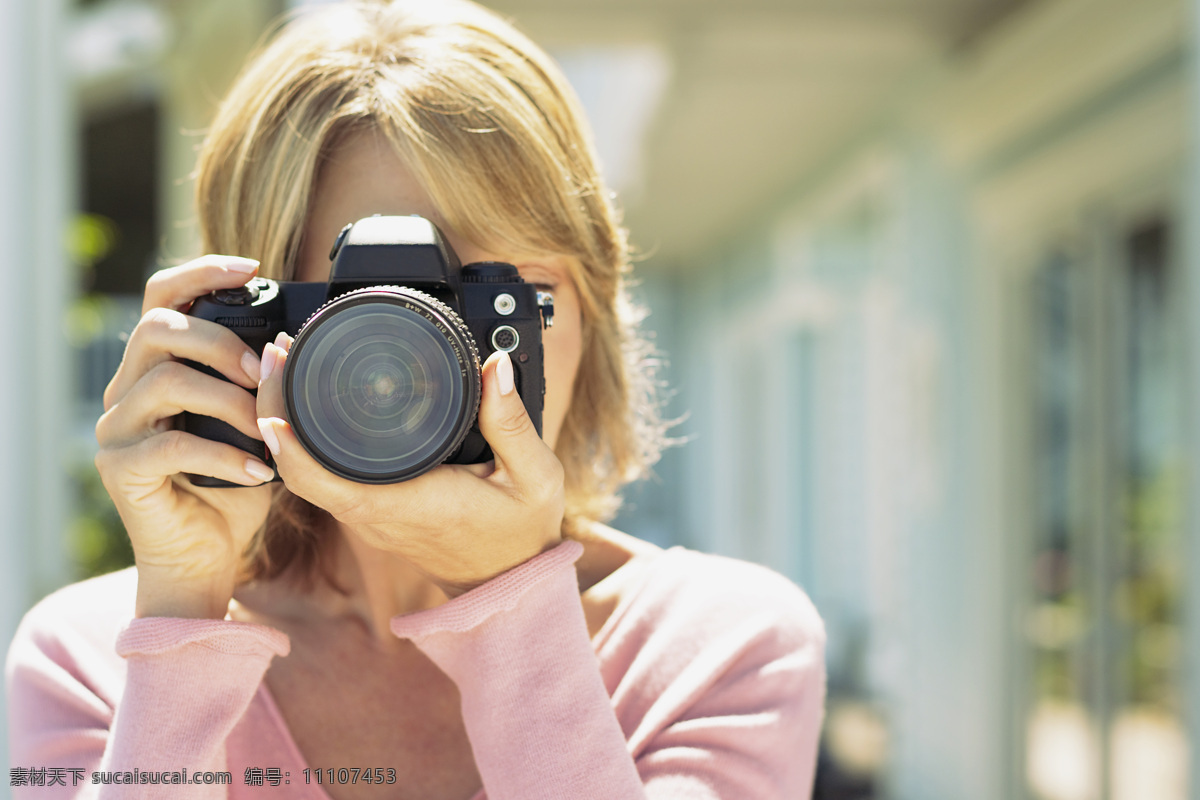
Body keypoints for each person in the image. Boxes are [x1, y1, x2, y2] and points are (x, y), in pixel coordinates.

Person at [7, 1, 826, 797]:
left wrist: (507, 597)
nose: (426, 358)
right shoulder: (96, 655)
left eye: (502, 294)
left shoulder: (717, 648)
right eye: (370, 304)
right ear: (247, 328)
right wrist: (182, 619)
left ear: (592, 308)